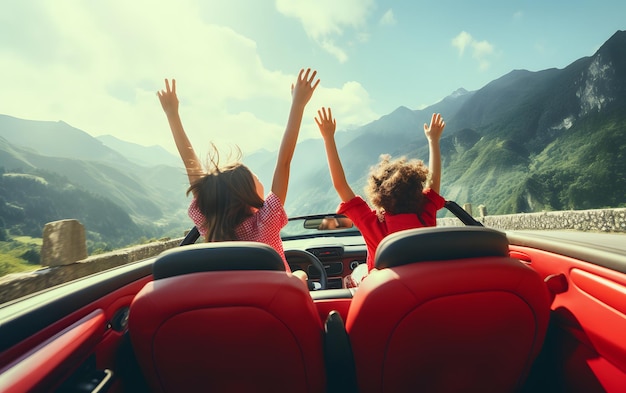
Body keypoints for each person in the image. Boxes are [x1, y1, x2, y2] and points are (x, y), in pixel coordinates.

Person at [158, 68, 320, 282]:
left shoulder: (210, 226)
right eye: (256, 177)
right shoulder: (266, 221)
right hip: (275, 303)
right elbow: (284, 163)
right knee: (299, 275)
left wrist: (172, 115)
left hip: (238, 305)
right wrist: (298, 105)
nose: (260, 179)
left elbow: (193, 171)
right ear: (248, 194)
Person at [315, 107, 446, 286]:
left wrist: (328, 138)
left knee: (355, 274)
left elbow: (340, 184)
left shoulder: (373, 224)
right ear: (417, 190)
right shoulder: (426, 216)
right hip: (422, 290)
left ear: (378, 195)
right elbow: (434, 180)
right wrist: (434, 140)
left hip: (383, 293)